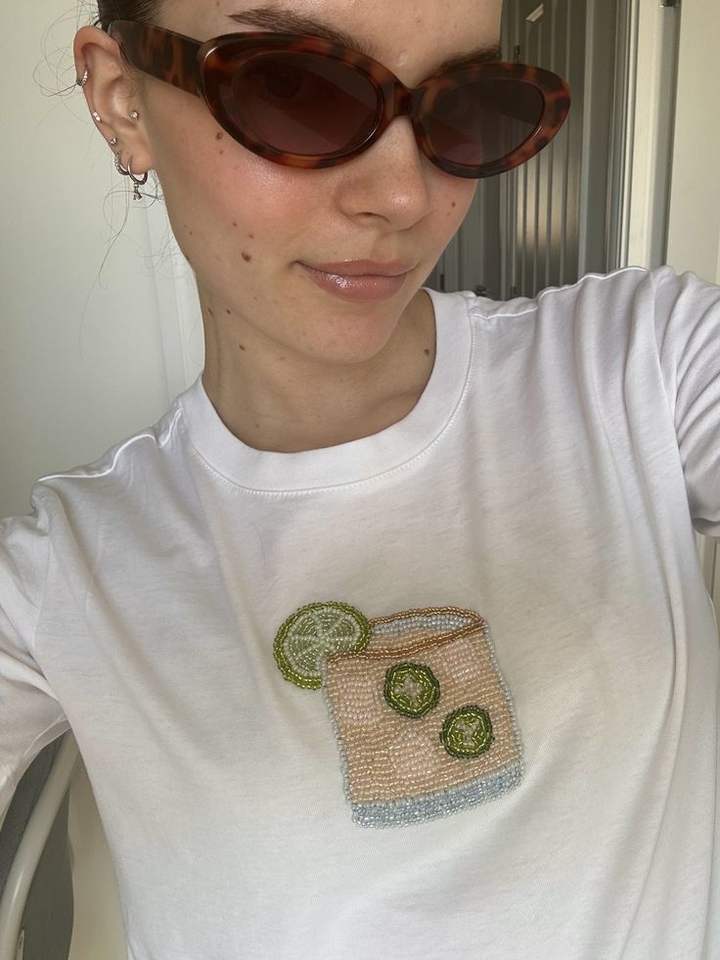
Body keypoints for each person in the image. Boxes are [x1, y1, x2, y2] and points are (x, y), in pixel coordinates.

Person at [1, 0, 718, 957]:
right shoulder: (64, 575)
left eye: (466, 104)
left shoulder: (644, 365)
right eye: (296, 90)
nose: (406, 195)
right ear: (123, 97)